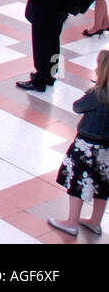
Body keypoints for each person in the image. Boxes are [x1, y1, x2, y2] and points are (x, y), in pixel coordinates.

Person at [47, 49, 109, 236]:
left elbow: (77, 107)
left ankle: (71, 222)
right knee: (102, 185)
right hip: (106, 149)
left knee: (77, 183)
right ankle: (95, 221)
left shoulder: (97, 94)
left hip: (86, 146)